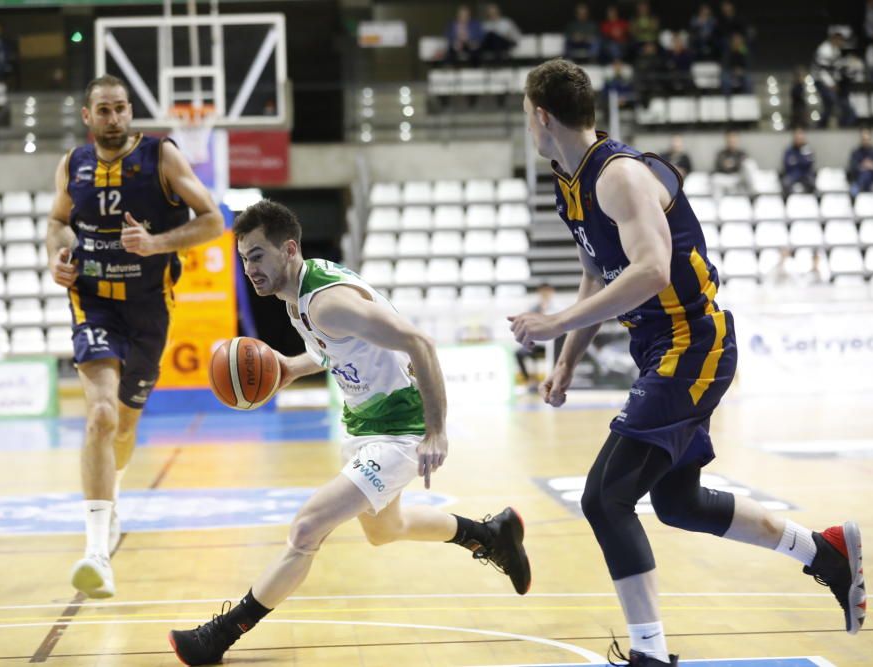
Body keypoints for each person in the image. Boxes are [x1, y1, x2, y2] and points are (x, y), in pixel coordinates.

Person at [510, 59, 865, 666]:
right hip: (660, 346)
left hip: (691, 341)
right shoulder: (566, 178)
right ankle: (825, 552)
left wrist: (554, 324)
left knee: (604, 498)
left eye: (525, 113)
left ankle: (650, 653)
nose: (527, 123)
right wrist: (568, 358)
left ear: (541, 115)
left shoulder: (618, 176)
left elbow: (650, 271)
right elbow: (599, 270)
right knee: (678, 504)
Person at [168, 200, 531, 665]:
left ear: (289, 249)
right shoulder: (299, 292)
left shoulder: (326, 302)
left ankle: (219, 636)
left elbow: (419, 342)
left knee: (306, 529)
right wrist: (289, 369)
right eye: (243, 258)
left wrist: (436, 432)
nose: (249, 267)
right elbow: (335, 349)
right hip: (364, 424)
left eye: (257, 255)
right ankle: (489, 534)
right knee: (386, 530)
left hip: (402, 429)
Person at [46, 74, 225, 598]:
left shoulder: (162, 158)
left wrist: (157, 243)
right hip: (92, 302)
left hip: (149, 310)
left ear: (130, 110)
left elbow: (214, 220)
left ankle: (114, 490)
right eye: (104, 110)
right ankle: (96, 554)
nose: (114, 118)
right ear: (88, 116)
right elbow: (58, 222)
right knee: (99, 415)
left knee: (124, 425)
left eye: (122, 108)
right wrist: (57, 254)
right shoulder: (72, 164)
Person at [515, 282, 556, 389]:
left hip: (553, 343)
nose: (544, 294)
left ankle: (554, 381)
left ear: (551, 292)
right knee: (519, 353)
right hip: (537, 343)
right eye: (542, 292)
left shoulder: (557, 307)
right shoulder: (533, 308)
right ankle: (529, 381)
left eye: (547, 292)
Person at [711, 130, 757, 198]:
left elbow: (744, 168)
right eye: (730, 138)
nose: (732, 140)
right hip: (726, 179)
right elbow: (721, 167)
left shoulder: (742, 153)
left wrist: (732, 164)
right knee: (715, 179)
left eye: (734, 138)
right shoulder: (721, 154)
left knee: (749, 164)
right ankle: (717, 207)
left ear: (737, 140)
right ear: (726, 140)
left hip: (739, 178)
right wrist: (735, 164)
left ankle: (753, 194)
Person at [848, 127, 873, 197]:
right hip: (859, 177)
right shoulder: (856, 152)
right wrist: (865, 166)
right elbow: (853, 168)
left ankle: (860, 188)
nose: (866, 141)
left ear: (871, 139)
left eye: (867, 139)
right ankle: (864, 190)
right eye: (864, 139)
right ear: (861, 139)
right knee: (865, 175)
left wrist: (869, 166)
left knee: (867, 175)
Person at [781, 127, 816, 196]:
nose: (799, 140)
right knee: (785, 183)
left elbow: (809, 163)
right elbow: (787, 164)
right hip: (792, 174)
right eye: (797, 138)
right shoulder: (789, 150)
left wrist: (797, 160)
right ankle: (789, 201)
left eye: (801, 138)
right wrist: (801, 160)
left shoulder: (808, 149)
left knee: (812, 183)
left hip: (806, 174)